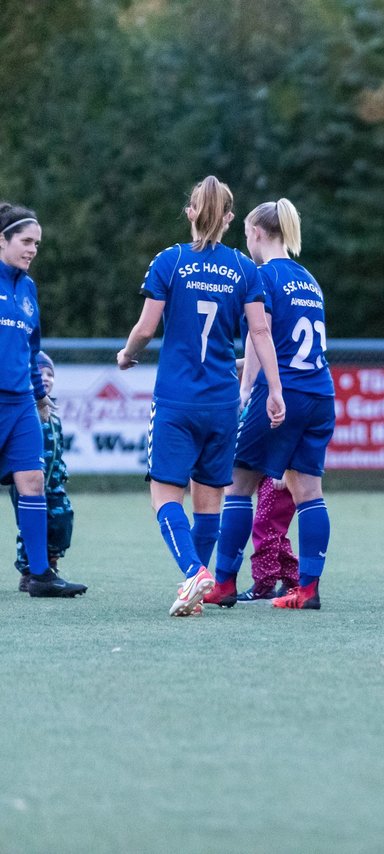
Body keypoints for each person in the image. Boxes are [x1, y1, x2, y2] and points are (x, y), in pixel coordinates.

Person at [117, 176, 285, 617]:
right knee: (209, 498)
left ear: (190, 212)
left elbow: (146, 329)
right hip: (222, 402)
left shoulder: (169, 262)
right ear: (229, 218)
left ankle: (194, 572)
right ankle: (194, 590)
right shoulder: (244, 269)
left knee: (164, 496)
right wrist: (275, 389)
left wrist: (127, 355)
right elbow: (260, 331)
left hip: (176, 400)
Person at [206, 198, 334, 611]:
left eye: (247, 235)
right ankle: (308, 590)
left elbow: (260, 336)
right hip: (320, 392)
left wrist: (247, 391)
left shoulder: (261, 276)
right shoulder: (308, 278)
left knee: (237, 485)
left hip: (284, 392)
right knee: (310, 493)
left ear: (258, 233)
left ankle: (223, 583)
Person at [0, 204, 86, 597]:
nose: (33, 249)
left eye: (37, 243)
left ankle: (39, 575)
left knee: (33, 481)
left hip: (20, 404)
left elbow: (32, 350)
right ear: (2, 240)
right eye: (25, 241)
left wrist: (39, 396)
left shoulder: (28, 288)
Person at [9, 352, 75, 592]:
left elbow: (58, 450)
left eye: (50, 374)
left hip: (54, 483)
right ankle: (29, 571)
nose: (45, 378)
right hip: (28, 483)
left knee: (61, 521)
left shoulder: (53, 413)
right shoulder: (24, 413)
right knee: (32, 525)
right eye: (39, 373)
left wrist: (61, 472)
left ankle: (51, 564)